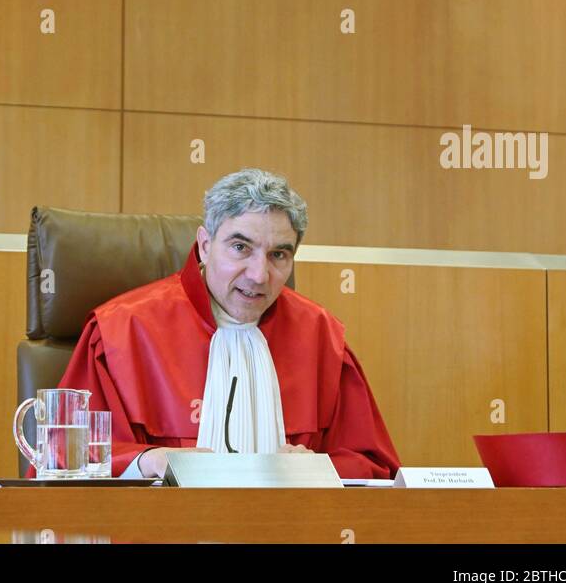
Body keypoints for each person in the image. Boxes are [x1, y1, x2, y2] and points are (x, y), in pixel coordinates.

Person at [41, 169, 400, 480]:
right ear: (204, 245)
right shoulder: (121, 331)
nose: (260, 275)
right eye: (241, 247)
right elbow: (60, 462)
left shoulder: (322, 337)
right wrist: (145, 460)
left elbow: (374, 467)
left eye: (279, 254)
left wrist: (318, 468)